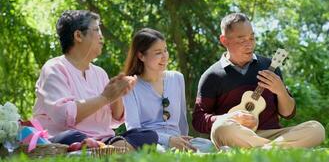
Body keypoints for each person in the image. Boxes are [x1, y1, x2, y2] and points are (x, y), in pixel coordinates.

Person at [192, 12, 325, 149]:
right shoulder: (212, 75)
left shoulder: (269, 67)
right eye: (242, 40)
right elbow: (198, 120)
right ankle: (277, 150)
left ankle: (263, 149)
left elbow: (288, 113)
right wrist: (229, 117)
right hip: (236, 134)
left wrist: (281, 91)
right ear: (224, 40)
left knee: (316, 128)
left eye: (252, 38)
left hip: (272, 135)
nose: (249, 45)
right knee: (220, 128)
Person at [33, 10, 158, 150]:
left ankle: (105, 150)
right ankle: (113, 151)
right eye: (97, 30)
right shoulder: (54, 68)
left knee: (148, 135)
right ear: (78, 35)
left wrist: (117, 95)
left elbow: (115, 121)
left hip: (103, 139)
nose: (101, 37)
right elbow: (63, 116)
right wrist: (105, 97)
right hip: (68, 138)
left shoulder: (99, 73)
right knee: (72, 137)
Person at [122, 28, 213, 152]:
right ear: (141, 55)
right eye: (158, 52)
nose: (164, 56)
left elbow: (182, 121)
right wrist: (168, 140)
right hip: (150, 143)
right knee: (161, 152)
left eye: (165, 50)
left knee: (208, 146)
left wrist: (183, 143)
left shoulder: (177, 78)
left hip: (177, 140)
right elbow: (134, 130)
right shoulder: (129, 85)